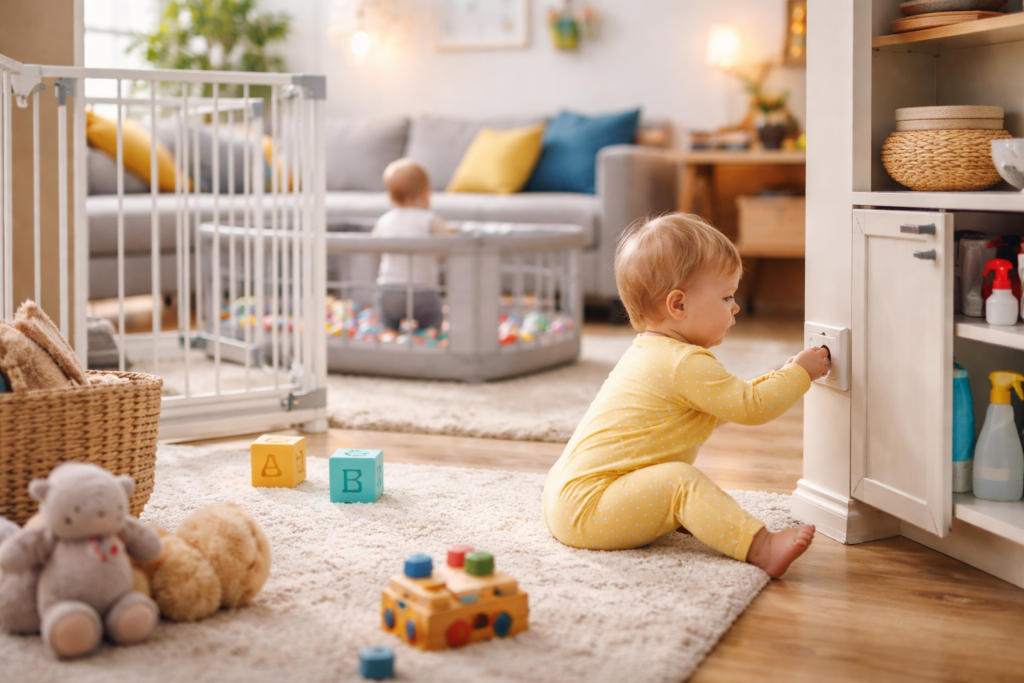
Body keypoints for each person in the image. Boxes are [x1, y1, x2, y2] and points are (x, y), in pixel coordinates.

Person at [542, 212, 829, 578]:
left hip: (565, 498)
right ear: (678, 305)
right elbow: (751, 407)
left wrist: (781, 375)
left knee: (670, 481)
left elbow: (731, 399)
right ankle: (762, 547)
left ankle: (665, 511)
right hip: (589, 510)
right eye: (727, 296)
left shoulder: (650, 351)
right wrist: (802, 373)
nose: (736, 306)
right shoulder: (684, 364)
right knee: (680, 481)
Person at [372, 159, 455, 331]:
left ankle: (389, 334)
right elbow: (448, 244)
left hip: (389, 290)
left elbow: (374, 247)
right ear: (426, 194)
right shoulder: (430, 219)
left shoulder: (384, 220)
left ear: (390, 197)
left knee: (387, 324)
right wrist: (450, 233)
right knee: (433, 320)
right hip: (422, 291)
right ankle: (431, 336)